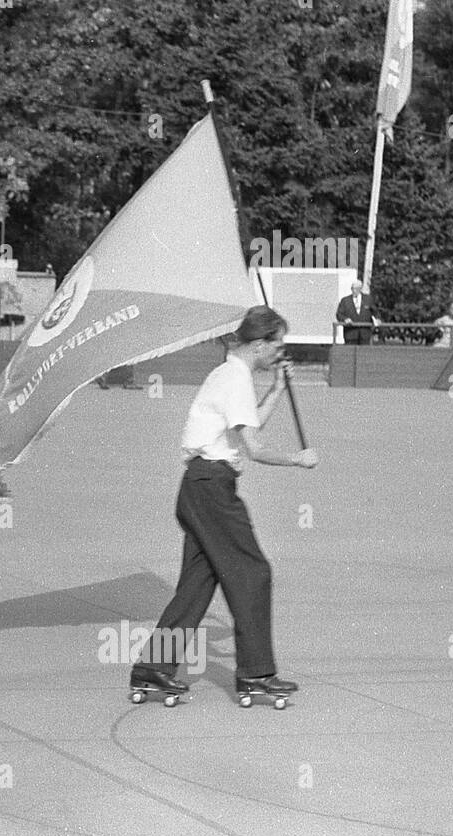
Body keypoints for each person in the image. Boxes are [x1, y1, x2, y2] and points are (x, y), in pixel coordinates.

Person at [129, 305, 319, 706]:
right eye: (277, 343)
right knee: (253, 572)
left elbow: (249, 423)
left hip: (199, 486)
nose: (279, 352)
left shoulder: (232, 373)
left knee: (198, 584)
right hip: (212, 488)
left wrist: (278, 391)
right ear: (259, 343)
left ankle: (152, 670)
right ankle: (255, 674)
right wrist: (296, 460)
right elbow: (255, 449)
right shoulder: (234, 377)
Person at [335, 280, 376, 345]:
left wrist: (377, 319)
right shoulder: (345, 300)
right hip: (350, 334)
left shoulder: (368, 299)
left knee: (364, 353)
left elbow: (375, 312)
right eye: (352, 288)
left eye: (356, 288)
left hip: (365, 333)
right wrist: (345, 319)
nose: (354, 290)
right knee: (350, 353)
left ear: (360, 288)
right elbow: (339, 314)